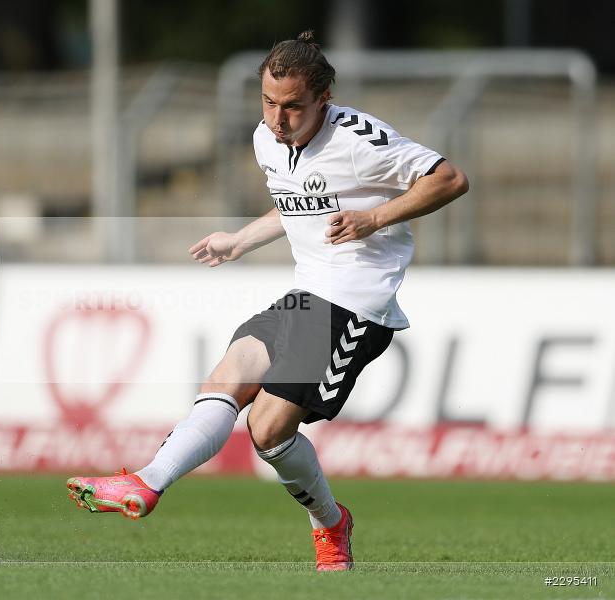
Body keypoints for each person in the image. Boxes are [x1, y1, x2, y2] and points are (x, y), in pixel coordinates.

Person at [66, 31, 469, 571]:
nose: (278, 119)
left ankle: (331, 523)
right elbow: (298, 204)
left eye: (293, 106)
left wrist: (373, 218)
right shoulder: (266, 140)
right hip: (307, 293)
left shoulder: (360, 139)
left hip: (354, 301)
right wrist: (239, 239)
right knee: (226, 378)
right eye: (269, 102)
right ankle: (146, 482)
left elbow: (449, 179)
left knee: (268, 429)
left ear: (323, 98)